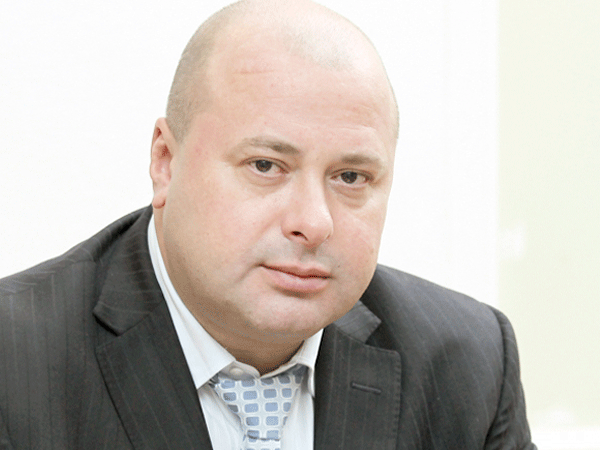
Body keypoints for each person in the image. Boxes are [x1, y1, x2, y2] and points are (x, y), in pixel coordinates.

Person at [0, 0, 536, 449]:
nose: (313, 223)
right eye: (265, 166)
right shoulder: (15, 364)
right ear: (165, 162)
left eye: (351, 177)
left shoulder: (468, 367)